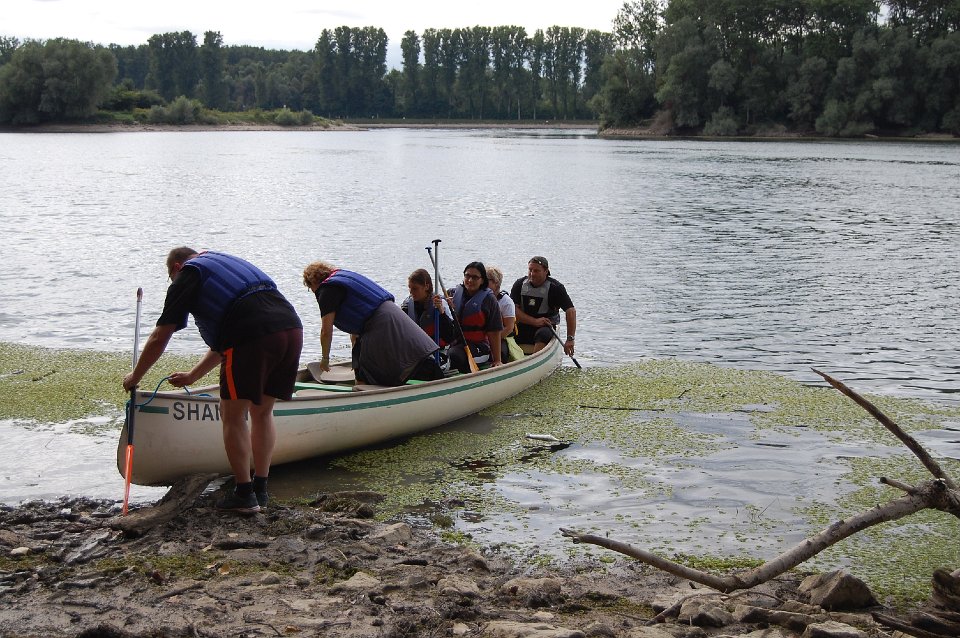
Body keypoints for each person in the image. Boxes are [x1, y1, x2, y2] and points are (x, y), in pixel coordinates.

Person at [122, 248, 303, 514]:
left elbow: (161, 335)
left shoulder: (188, 274)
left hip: (251, 335)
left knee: (232, 415)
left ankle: (244, 494)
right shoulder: (221, 266)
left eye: (170, 277)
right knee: (262, 413)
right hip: (290, 329)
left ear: (176, 267)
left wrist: (135, 376)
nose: (172, 281)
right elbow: (224, 341)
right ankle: (261, 490)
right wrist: (192, 376)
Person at [303, 261, 443, 386]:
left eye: (310, 288)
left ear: (312, 283)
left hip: (379, 324)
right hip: (390, 314)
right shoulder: (341, 278)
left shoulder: (326, 291)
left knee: (377, 369)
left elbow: (326, 332)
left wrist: (325, 359)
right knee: (408, 356)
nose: (313, 292)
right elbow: (355, 322)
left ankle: (371, 396)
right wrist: (356, 355)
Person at [510, 256, 576, 356]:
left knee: (542, 334)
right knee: (506, 329)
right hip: (524, 324)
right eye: (530, 270)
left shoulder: (556, 288)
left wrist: (570, 339)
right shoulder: (519, 284)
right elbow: (513, 309)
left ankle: (533, 359)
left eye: (536, 271)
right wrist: (535, 321)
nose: (532, 274)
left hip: (545, 327)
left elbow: (570, 311)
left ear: (546, 271)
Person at [444, 261, 503, 373]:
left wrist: (497, 360)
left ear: (482, 280)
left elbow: (494, 332)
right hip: (456, 344)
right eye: (467, 276)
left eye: (475, 277)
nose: (470, 280)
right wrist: (443, 306)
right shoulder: (452, 294)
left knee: (455, 355)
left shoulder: (489, 300)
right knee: (448, 354)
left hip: (479, 347)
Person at [400, 268, 455, 348]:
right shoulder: (407, 306)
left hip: (437, 349)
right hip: (416, 348)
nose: (411, 292)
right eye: (409, 288)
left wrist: (442, 313)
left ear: (426, 287)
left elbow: (450, 337)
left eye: (415, 288)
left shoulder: (440, 304)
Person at [486, 266, 519, 363]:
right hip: (483, 338)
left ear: (496, 282)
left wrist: (492, 340)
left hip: (503, 337)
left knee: (501, 352)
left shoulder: (506, 302)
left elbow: (509, 328)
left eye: (486, 280)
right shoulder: (480, 298)